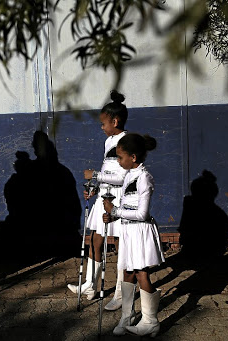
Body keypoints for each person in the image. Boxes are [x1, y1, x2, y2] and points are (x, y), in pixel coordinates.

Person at [67, 90, 128, 311]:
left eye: (104, 123)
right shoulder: (109, 141)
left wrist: (96, 176)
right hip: (103, 195)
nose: (101, 127)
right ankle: (90, 286)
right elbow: (106, 168)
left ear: (115, 121)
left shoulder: (126, 141)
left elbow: (123, 176)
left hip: (118, 198)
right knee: (95, 241)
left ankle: (121, 292)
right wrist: (94, 187)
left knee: (121, 245)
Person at [103, 133, 165, 337]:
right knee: (128, 273)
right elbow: (125, 206)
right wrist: (112, 216)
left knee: (141, 273)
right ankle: (127, 316)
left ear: (134, 157)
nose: (118, 161)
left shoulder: (144, 177)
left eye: (121, 157)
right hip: (128, 230)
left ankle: (150, 321)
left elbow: (142, 213)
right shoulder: (129, 175)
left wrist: (115, 211)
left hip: (140, 231)